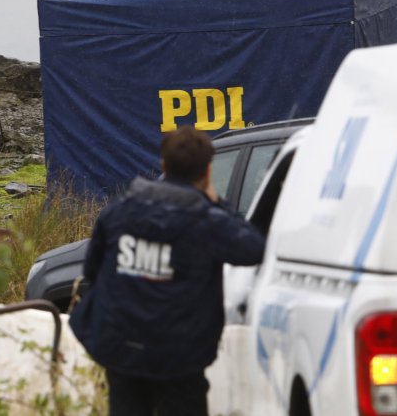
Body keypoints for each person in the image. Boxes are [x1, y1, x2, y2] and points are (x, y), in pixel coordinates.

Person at [69, 126, 265, 416]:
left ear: (163, 164)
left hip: (122, 348)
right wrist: (217, 202)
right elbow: (253, 248)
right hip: (179, 357)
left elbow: (91, 272)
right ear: (208, 171)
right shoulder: (208, 221)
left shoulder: (120, 211)